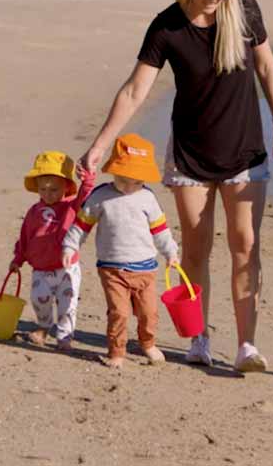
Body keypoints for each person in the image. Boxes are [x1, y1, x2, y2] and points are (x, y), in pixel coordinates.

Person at [79, 0, 273, 372]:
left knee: (245, 246)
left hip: (245, 152)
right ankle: (199, 338)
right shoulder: (167, 27)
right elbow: (135, 90)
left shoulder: (244, 10)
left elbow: (267, 67)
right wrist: (101, 145)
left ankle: (247, 345)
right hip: (191, 154)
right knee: (194, 249)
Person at [63, 133, 179, 368]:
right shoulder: (100, 197)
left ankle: (147, 343)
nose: (129, 187)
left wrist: (171, 253)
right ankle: (116, 351)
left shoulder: (147, 198)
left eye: (136, 182)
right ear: (114, 171)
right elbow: (81, 225)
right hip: (112, 269)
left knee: (149, 313)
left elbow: (161, 230)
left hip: (146, 268)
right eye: (123, 180)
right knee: (120, 313)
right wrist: (70, 245)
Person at [8, 151, 95, 349]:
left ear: (66, 187)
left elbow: (85, 196)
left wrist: (88, 178)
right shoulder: (34, 211)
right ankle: (43, 327)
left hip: (66, 267)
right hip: (41, 267)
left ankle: (65, 336)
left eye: (54, 189)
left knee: (67, 305)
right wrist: (18, 258)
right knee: (39, 299)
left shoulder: (71, 207)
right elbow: (25, 237)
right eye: (43, 189)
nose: (48, 194)